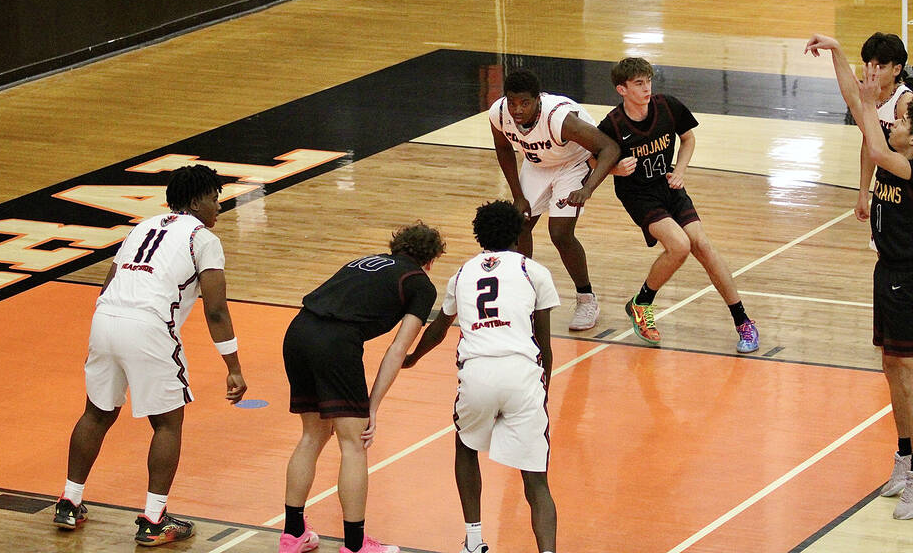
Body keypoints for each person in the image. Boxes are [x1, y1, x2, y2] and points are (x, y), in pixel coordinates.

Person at [54, 164, 247, 547]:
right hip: (149, 327)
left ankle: (69, 502)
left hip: (106, 318)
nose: (218, 208)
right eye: (214, 199)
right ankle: (154, 519)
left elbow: (109, 282)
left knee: (96, 412)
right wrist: (234, 367)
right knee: (167, 424)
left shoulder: (142, 226)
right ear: (195, 201)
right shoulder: (203, 239)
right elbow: (217, 310)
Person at [805, 33, 913, 520]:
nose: (896, 120)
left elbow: (872, 133)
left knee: (912, 376)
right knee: (892, 369)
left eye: (903, 121)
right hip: (885, 273)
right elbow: (858, 105)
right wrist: (838, 54)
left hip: (912, 281)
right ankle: (905, 457)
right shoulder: (894, 161)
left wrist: (870, 105)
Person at [278, 222, 446, 553]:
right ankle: (356, 546)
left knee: (313, 435)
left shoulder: (363, 261)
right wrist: (373, 406)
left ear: (397, 247)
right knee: (354, 444)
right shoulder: (421, 285)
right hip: (335, 343)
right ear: (430, 260)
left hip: (298, 331)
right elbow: (398, 349)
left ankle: (293, 534)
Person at [403, 200, 560, 553]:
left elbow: (439, 328)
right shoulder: (533, 272)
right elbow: (544, 345)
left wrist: (412, 357)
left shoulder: (462, 273)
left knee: (465, 446)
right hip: (522, 374)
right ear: (519, 234)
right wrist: (543, 390)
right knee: (536, 480)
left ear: (479, 236)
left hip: (477, 374)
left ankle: (474, 541)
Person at [597, 57, 759, 353]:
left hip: (668, 185)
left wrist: (681, 169)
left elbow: (688, 138)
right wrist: (615, 169)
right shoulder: (612, 125)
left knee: (702, 245)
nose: (647, 88)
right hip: (638, 194)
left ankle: (743, 321)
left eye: (648, 81)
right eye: (638, 84)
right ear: (622, 89)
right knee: (679, 245)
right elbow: (594, 160)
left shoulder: (667, 106)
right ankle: (643, 302)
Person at [488, 68, 620, 332]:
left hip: (573, 163)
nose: (517, 109)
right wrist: (517, 196)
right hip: (538, 164)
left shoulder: (559, 118)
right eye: (512, 102)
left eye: (524, 102)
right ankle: (522, 293)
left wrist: (588, 188)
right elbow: (503, 149)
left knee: (559, 233)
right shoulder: (498, 113)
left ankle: (586, 298)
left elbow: (610, 148)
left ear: (538, 99)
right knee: (518, 223)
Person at [854, 33, 913, 262]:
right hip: (886, 193)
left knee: (909, 263)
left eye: (880, 66)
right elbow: (868, 145)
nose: (872, 72)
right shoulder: (873, 98)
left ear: (896, 69)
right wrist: (864, 192)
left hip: (910, 199)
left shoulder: (904, 103)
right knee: (884, 257)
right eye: (868, 65)